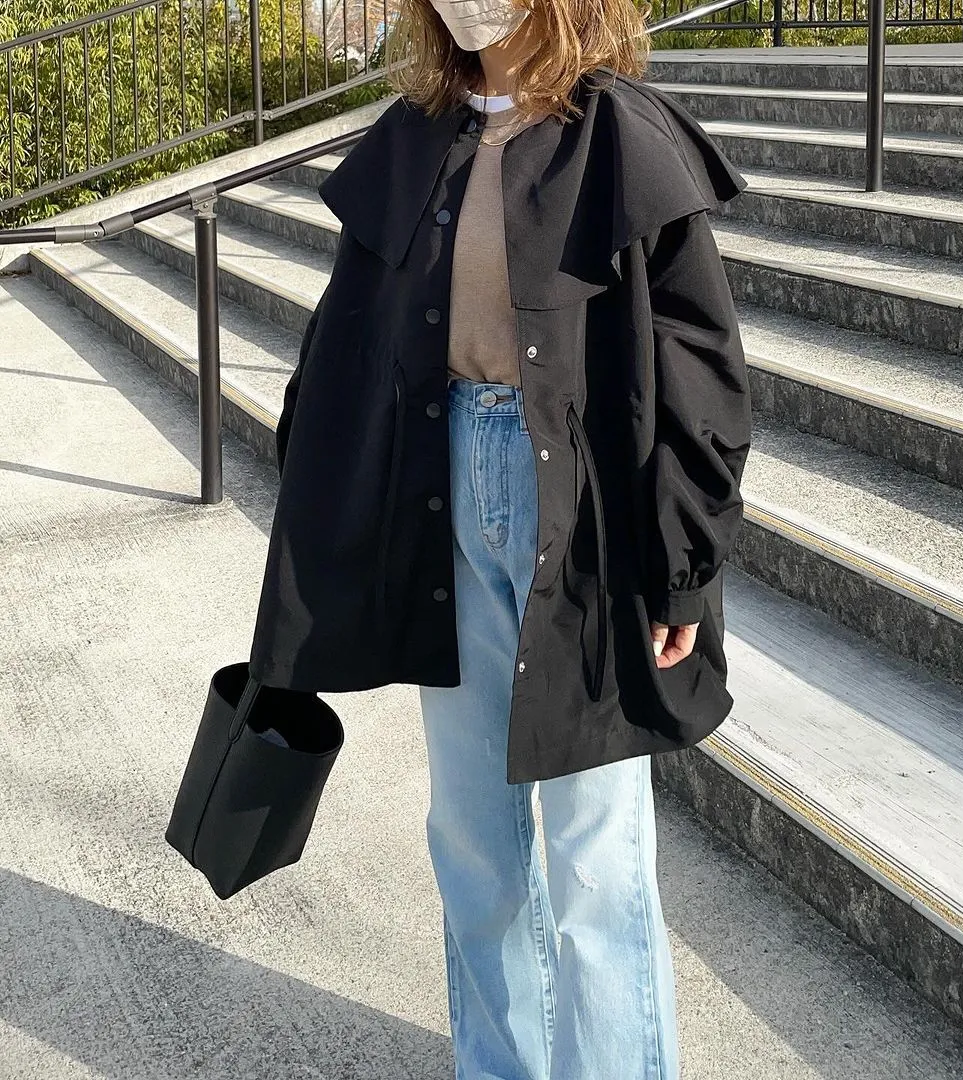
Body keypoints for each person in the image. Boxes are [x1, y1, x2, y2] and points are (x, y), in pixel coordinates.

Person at [248, 0, 752, 1074]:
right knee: (474, 841)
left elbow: (700, 365)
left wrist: (684, 567)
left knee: (593, 856)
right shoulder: (416, 137)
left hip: (583, 516)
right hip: (440, 499)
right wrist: (317, 514)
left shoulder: (618, 133)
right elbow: (344, 339)